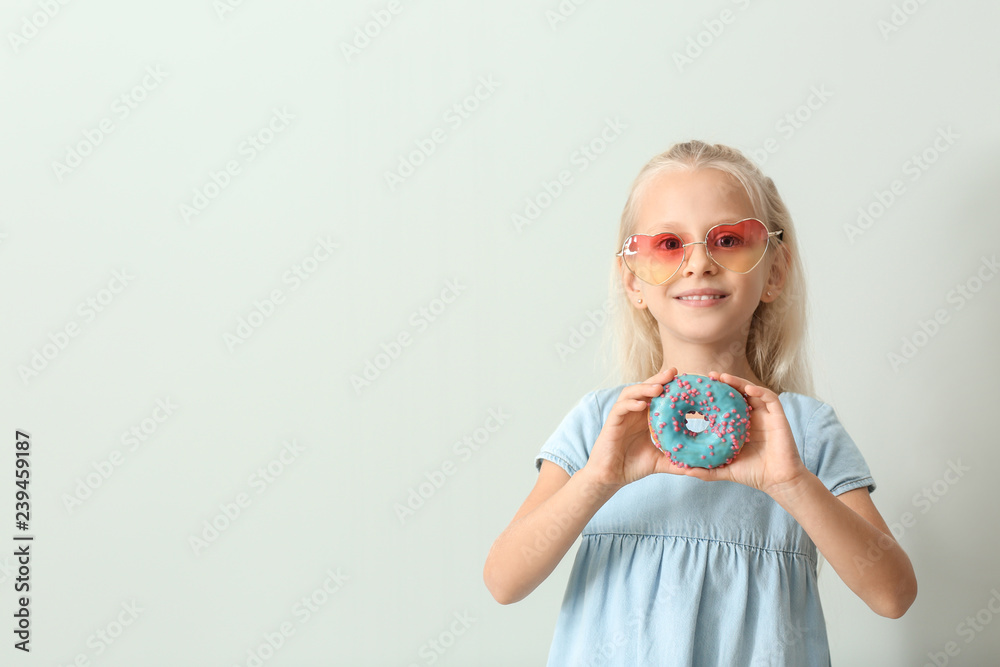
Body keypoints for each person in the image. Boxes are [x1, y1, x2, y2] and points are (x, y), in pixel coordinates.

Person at [482, 140, 917, 666]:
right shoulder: (600, 424)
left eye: (729, 239)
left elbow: (893, 595)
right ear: (633, 280)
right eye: (668, 244)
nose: (699, 264)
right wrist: (597, 480)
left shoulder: (802, 431)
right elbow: (504, 581)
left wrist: (792, 485)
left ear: (773, 270)